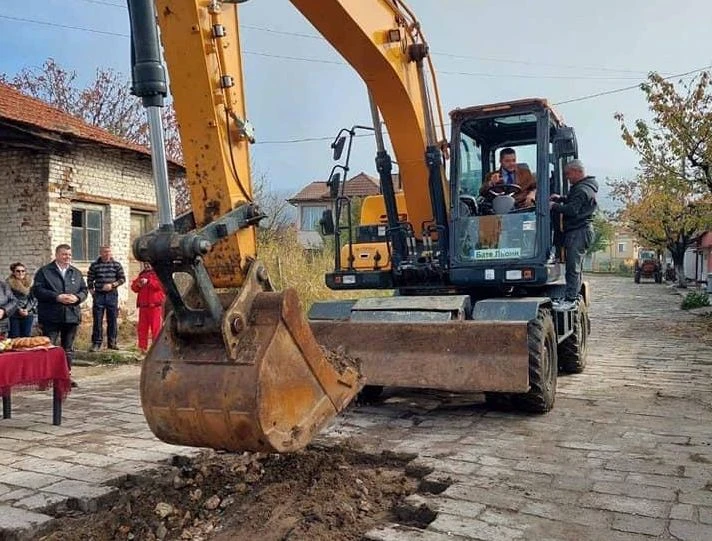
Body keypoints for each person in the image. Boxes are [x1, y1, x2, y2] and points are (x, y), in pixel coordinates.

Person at [32, 244, 88, 386]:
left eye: (69, 255)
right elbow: (37, 291)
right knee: (48, 347)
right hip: (51, 316)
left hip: (71, 316)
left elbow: (84, 290)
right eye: (64, 254)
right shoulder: (44, 272)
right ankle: (46, 378)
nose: (67, 257)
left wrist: (77, 298)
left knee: (67, 349)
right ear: (57, 255)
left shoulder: (75, 272)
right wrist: (57, 297)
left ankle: (65, 377)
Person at [549, 159, 598, 310]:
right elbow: (575, 202)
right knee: (574, 266)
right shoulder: (585, 187)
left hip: (579, 231)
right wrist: (562, 198)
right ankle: (572, 296)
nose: (567, 177)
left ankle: (570, 300)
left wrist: (554, 205)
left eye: (568, 174)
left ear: (577, 171)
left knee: (573, 267)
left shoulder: (581, 189)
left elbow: (572, 210)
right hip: (582, 231)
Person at [87, 246, 125, 351]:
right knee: (97, 320)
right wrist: (91, 291)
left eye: (109, 252)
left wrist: (112, 285)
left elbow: (122, 279)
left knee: (112, 319)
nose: (107, 254)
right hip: (99, 294)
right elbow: (90, 279)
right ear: (100, 253)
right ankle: (96, 343)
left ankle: (112, 342)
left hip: (112, 294)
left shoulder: (116, 265)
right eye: (105, 252)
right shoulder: (95, 265)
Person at [131, 262, 166, 354]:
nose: (147, 265)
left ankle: (156, 349)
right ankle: (142, 348)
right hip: (143, 306)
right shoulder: (142, 275)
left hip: (155, 306)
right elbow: (134, 288)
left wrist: (149, 282)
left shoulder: (159, 274)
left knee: (156, 329)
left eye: (149, 263)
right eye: (145, 264)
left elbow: (159, 286)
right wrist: (139, 284)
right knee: (142, 329)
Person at [7, 262, 37, 338]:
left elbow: (33, 298)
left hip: (28, 313)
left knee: (26, 337)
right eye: (18, 271)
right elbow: (8, 299)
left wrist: (27, 309)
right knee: (14, 337)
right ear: (13, 272)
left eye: (23, 271)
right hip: (14, 314)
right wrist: (18, 309)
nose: (21, 273)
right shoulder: (8, 284)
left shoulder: (30, 283)